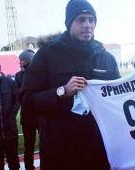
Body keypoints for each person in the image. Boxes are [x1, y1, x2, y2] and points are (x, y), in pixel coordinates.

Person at [20, 0, 120, 169]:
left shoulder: (106, 58)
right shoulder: (47, 55)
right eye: (81, 19)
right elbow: (27, 99)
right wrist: (62, 92)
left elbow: (118, 98)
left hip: (97, 149)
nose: (87, 25)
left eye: (91, 19)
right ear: (69, 23)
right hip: (60, 151)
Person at [15, 49, 38, 170]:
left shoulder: (39, 74)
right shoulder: (19, 75)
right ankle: (29, 167)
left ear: (28, 61)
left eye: (21, 60)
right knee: (28, 145)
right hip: (27, 116)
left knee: (45, 142)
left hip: (40, 115)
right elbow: (19, 96)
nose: (19, 63)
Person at [0, 60, 20, 170]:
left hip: (10, 130)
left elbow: (17, 101)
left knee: (13, 161)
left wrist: (11, 117)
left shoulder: (10, 83)